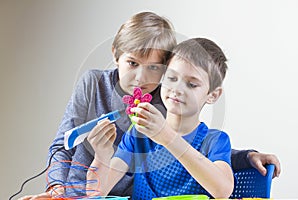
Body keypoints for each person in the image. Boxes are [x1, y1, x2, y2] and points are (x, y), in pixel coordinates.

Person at [18, 11, 280, 200]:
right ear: (116, 56)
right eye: (172, 79)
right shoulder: (122, 117)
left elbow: (212, 171)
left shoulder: (187, 123)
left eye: (155, 68)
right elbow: (86, 178)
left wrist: (245, 157)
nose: (142, 79)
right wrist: (96, 159)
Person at [87, 37, 236, 199]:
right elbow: (97, 193)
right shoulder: (138, 134)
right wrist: (101, 156)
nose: (177, 88)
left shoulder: (214, 140)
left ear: (213, 95)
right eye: (172, 78)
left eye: (192, 84)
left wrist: (168, 137)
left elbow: (223, 191)